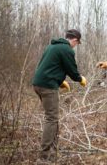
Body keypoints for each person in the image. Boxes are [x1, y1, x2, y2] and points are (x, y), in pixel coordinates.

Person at [32, 29, 87, 163]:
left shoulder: (52, 46)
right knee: (51, 119)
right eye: (77, 43)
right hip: (48, 86)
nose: (75, 46)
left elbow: (46, 66)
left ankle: (52, 153)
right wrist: (80, 79)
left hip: (38, 84)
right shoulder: (67, 50)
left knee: (53, 118)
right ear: (75, 40)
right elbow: (72, 71)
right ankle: (44, 157)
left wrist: (60, 81)